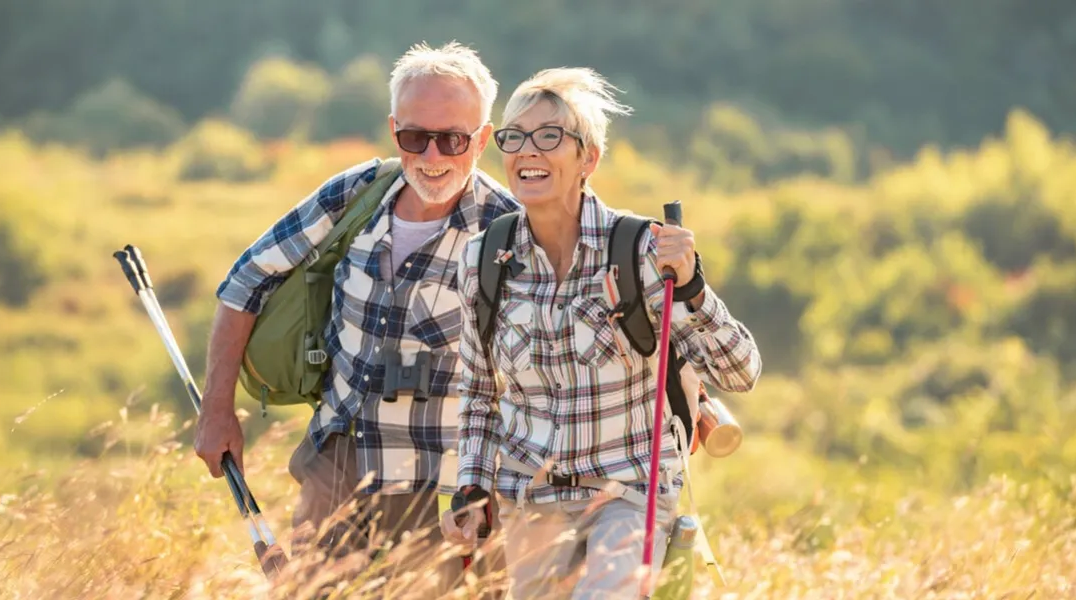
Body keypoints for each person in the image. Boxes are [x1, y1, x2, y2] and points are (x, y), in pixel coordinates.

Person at [194, 41, 520, 591]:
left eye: (453, 139)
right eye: (415, 137)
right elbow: (245, 282)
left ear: (483, 140)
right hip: (338, 467)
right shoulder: (355, 193)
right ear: (394, 130)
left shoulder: (511, 232)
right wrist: (217, 410)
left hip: (447, 484)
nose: (433, 156)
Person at [439, 67, 762, 599]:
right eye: (513, 138)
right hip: (531, 501)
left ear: (587, 158)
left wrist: (693, 289)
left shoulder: (638, 252)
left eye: (549, 137)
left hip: (629, 495)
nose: (527, 152)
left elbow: (741, 371)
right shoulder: (483, 259)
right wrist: (472, 488)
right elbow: (478, 393)